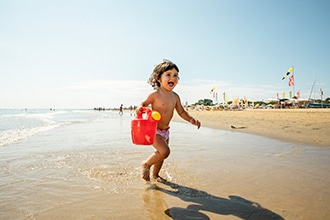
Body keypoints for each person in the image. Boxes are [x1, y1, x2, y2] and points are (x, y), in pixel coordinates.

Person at [136, 60, 201, 183]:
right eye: (168, 75)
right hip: (153, 130)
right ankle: (146, 164)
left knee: (161, 156)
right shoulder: (155, 94)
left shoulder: (175, 97)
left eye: (175, 75)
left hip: (165, 131)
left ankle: (155, 175)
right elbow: (143, 103)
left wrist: (192, 120)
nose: (173, 78)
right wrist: (140, 107)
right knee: (165, 152)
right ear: (158, 78)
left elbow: (181, 112)